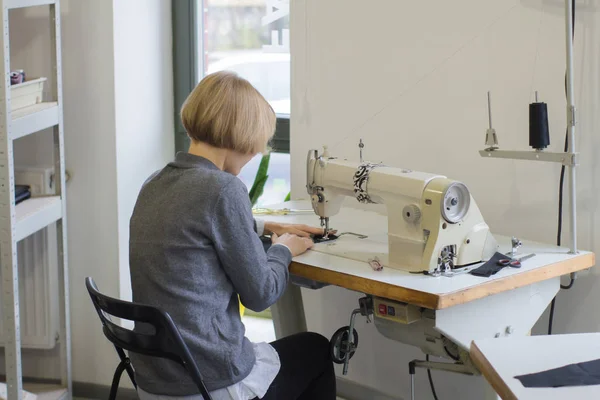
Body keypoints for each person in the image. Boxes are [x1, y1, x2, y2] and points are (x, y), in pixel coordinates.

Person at [128, 71, 337, 400]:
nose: (258, 151)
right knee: (316, 350)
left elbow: (193, 228)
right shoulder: (223, 189)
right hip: (207, 382)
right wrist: (283, 249)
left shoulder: (155, 183)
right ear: (242, 135)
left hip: (157, 380)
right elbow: (261, 294)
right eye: (258, 142)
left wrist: (266, 227)